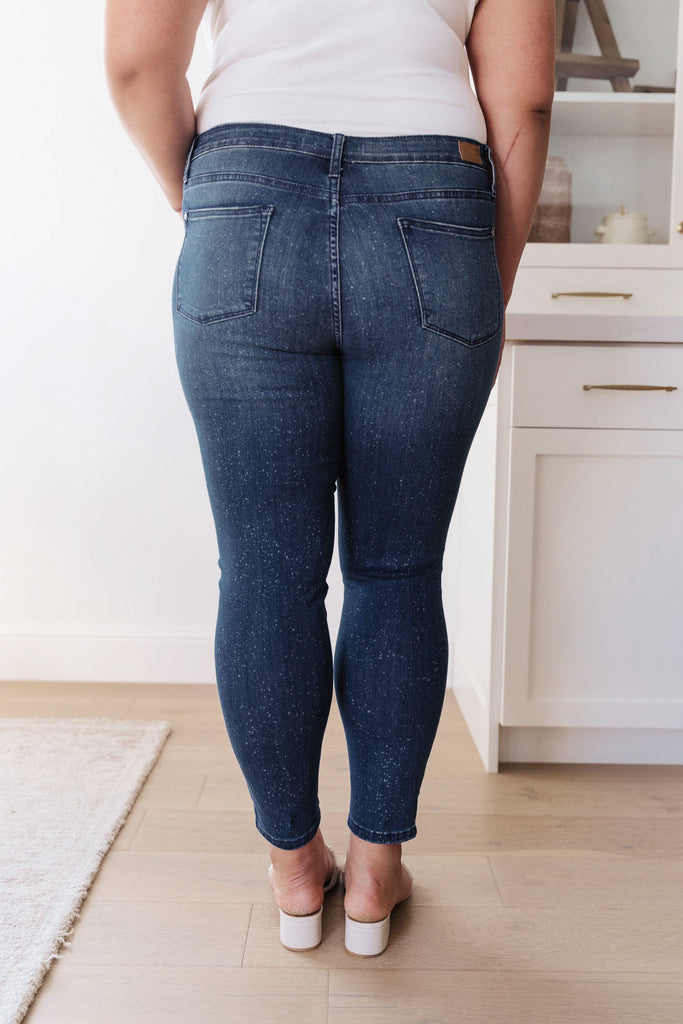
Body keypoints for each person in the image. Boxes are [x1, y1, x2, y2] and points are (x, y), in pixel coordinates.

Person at [104, 0, 555, 956]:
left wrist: (216, 202)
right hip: (436, 202)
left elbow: (139, 63)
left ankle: (295, 870)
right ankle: (376, 870)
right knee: (398, 572)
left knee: (264, 574)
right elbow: (522, 101)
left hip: (246, 186)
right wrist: (486, 276)